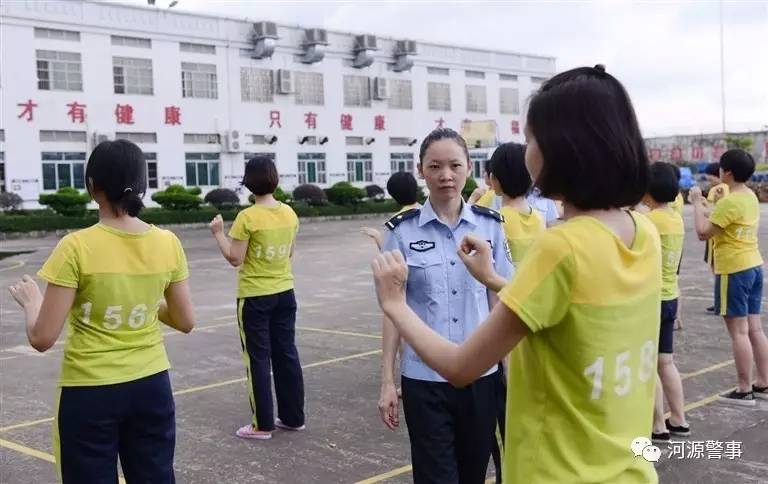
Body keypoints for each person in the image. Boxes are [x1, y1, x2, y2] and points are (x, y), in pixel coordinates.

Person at [371, 65, 659, 483]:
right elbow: (568, 312)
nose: (526, 151)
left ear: (563, 148)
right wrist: (492, 278)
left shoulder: (562, 247)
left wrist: (394, 303)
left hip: (560, 472)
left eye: (530, 138)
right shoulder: (642, 232)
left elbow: (460, 367)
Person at [8, 139, 195, 483]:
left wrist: (31, 302)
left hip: (90, 392)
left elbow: (42, 337)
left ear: (92, 187)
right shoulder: (167, 242)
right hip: (152, 386)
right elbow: (185, 320)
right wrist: (143, 302)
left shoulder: (76, 246)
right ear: (143, 185)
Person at [377, 128, 513, 484]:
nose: (446, 175)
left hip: (481, 377)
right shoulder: (400, 232)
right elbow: (394, 311)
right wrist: (387, 381)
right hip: (424, 380)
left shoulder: (492, 227)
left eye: (454, 165)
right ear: (421, 170)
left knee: (473, 474)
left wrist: (510, 370)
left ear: (469, 167)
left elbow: (501, 299)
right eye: (435, 166)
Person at [210, 156, 305, 439]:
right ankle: (293, 417)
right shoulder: (289, 213)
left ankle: (261, 425)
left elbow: (234, 257)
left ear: (248, 181)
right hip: (285, 292)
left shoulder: (247, 217)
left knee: (258, 359)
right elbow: (289, 253)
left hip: (255, 296)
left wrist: (218, 233)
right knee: (286, 354)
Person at [690, 149, 767, 405]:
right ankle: (763, 382)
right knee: (755, 329)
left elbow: (703, 232)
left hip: (733, 269)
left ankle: (744, 389)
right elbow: (723, 217)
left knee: (739, 333)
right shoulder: (749, 196)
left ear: (728, 172)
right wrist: (707, 206)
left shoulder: (729, 201)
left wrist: (696, 203)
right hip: (754, 265)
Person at [643, 163, 689, 443]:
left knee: (649, 364)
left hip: (651, 300)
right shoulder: (675, 218)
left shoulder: (649, 221)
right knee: (666, 361)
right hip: (670, 295)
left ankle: (658, 425)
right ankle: (680, 419)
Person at [361, 171, 421, 250]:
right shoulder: (432, 213)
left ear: (393, 195)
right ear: (415, 189)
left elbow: (389, 255)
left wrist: (377, 236)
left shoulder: (395, 224)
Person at [701, 162, 730, 313]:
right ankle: (721, 300)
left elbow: (710, 211)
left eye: (711, 177)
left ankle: (719, 301)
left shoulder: (715, 190)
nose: (710, 180)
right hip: (726, 232)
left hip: (713, 234)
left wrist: (701, 204)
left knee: (715, 268)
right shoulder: (731, 188)